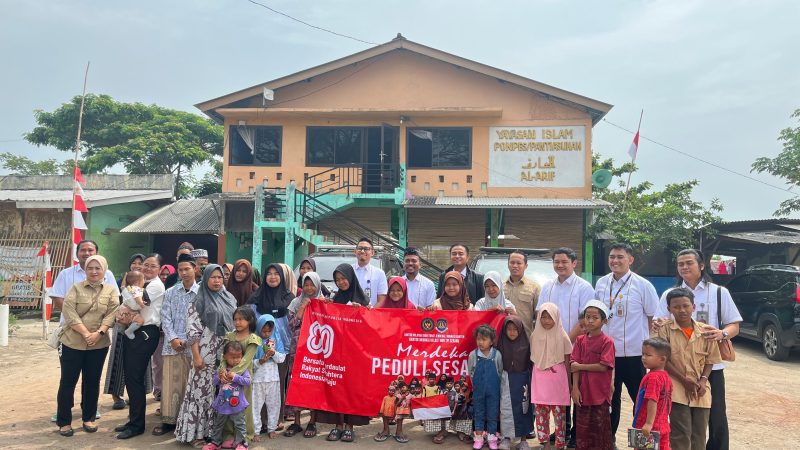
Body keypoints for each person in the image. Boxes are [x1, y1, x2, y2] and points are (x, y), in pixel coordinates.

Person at [654, 248, 741, 450]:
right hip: (679, 368)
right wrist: (657, 325)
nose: (684, 267)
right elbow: (660, 322)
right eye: (680, 264)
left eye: (689, 263)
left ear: (701, 266)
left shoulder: (719, 292)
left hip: (710, 366)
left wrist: (722, 334)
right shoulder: (669, 294)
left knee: (717, 415)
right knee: (680, 417)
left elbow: (734, 325)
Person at [593, 243, 658, 440]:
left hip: (633, 353)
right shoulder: (602, 283)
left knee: (640, 399)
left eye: (620, 257)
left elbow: (652, 317)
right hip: (606, 354)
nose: (615, 261)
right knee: (609, 400)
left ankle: (645, 440)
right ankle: (608, 439)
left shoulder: (643, 285)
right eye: (612, 257)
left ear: (630, 260)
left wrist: (649, 350)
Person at [50, 240, 119, 423]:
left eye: (98, 268)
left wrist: (99, 333)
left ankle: (88, 417)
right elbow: (67, 309)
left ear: (104, 269)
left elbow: (113, 311)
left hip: (99, 342)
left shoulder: (110, 288)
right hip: (72, 340)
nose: (94, 271)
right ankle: (64, 420)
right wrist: (85, 333)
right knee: (68, 381)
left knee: (92, 381)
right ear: (77, 253)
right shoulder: (73, 283)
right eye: (90, 268)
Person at [539, 247, 595, 447]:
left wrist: (565, 342)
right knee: (558, 392)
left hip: (577, 347)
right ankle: (561, 431)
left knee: (576, 388)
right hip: (550, 351)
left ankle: (577, 433)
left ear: (574, 263)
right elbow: (541, 316)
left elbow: (585, 319)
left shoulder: (584, 287)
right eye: (556, 262)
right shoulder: (547, 287)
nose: (560, 265)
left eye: (564, 262)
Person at [175, 264, 236, 447]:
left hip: (223, 353)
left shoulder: (229, 298)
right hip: (204, 353)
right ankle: (196, 435)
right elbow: (192, 332)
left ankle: (213, 433)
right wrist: (196, 357)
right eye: (213, 277)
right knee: (200, 394)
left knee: (219, 392)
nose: (217, 281)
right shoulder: (198, 301)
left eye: (220, 277)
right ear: (206, 278)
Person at [654, 288, 720, 450]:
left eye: (686, 306)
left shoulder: (706, 331)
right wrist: (685, 382)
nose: (682, 310)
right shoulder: (664, 330)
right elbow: (663, 360)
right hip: (675, 388)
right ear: (669, 309)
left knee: (699, 435)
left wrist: (703, 380)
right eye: (676, 307)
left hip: (700, 390)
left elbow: (710, 359)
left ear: (694, 307)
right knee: (680, 433)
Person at [315, 264, 371, 442]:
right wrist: (326, 306)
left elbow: (371, 325)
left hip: (355, 355)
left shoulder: (363, 300)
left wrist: (361, 311)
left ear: (351, 278)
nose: (341, 282)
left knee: (351, 389)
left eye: (344, 278)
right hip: (336, 353)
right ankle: (337, 425)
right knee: (336, 388)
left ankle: (349, 426)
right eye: (338, 279)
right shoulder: (335, 299)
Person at [116, 253, 165, 439]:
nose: (147, 268)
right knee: (130, 377)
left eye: (152, 266)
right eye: (145, 265)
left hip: (145, 333)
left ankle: (137, 425)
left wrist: (126, 291)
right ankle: (132, 420)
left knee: (135, 379)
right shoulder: (143, 284)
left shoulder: (155, 286)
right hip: (135, 331)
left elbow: (133, 304)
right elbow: (129, 299)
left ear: (159, 269)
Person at [152, 253, 197, 436]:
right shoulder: (170, 292)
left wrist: (188, 341)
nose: (184, 273)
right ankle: (169, 421)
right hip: (172, 345)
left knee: (189, 384)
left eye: (187, 269)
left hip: (193, 346)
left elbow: (201, 320)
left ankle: (186, 422)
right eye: (181, 270)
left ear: (195, 269)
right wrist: (172, 338)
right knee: (170, 384)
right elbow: (165, 316)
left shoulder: (202, 293)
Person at [247, 263, 295, 433]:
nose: (273, 277)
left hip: (281, 348)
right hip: (259, 349)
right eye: (269, 273)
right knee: (258, 386)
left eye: (276, 274)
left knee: (278, 384)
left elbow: (293, 322)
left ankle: (276, 420)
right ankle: (260, 421)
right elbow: (250, 321)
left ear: (282, 277)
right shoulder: (256, 297)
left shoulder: (289, 297)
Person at [570, 300, 615, 450]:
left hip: (600, 393)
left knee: (600, 429)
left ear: (604, 321)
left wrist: (580, 366)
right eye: (587, 317)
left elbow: (603, 366)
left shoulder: (607, 342)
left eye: (594, 318)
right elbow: (573, 365)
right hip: (583, 392)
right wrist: (575, 388)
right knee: (583, 429)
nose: (590, 321)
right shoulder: (580, 340)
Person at [287, 272, 324, 438]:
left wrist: (321, 306)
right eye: (306, 284)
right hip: (297, 349)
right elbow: (291, 325)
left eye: (312, 284)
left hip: (316, 351)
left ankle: (312, 421)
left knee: (313, 384)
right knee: (296, 383)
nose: (309, 288)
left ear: (318, 285)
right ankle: (296, 422)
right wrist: (302, 308)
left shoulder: (324, 302)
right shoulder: (296, 301)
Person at [530, 303, 573, 450]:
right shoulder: (535, 335)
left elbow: (567, 360)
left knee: (559, 415)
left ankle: (560, 445)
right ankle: (545, 444)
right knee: (541, 414)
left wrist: (569, 382)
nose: (546, 321)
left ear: (556, 317)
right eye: (543, 317)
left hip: (558, 379)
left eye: (550, 317)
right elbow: (533, 359)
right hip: (540, 378)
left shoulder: (562, 335)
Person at [107, 252, 143, 410]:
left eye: (140, 263)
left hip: (137, 328)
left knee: (136, 363)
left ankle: (132, 395)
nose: (137, 265)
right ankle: (116, 396)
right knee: (118, 358)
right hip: (122, 324)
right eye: (134, 262)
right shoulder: (122, 281)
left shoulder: (145, 283)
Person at [205, 341, 251, 450]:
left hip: (237, 404)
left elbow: (248, 381)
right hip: (222, 404)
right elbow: (213, 382)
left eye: (238, 357)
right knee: (218, 424)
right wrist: (220, 377)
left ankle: (241, 443)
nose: (235, 360)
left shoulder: (242, 370)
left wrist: (235, 377)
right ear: (225, 357)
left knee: (240, 424)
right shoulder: (222, 369)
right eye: (232, 357)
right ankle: (215, 443)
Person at [496, 316, 533, 450]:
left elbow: (531, 364)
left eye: (515, 329)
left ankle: (523, 440)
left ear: (520, 330)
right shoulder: (500, 343)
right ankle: (506, 439)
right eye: (509, 329)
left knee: (524, 409)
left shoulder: (526, 344)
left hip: (522, 381)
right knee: (505, 409)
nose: (512, 332)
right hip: (506, 380)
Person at [634, 337, 673, 450]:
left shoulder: (653, 377)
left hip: (649, 427)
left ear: (662, 359)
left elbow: (652, 400)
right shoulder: (665, 376)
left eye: (648, 355)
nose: (643, 358)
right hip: (663, 424)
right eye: (643, 354)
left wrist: (648, 423)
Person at [252, 314, 286, 440]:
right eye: (264, 331)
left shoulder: (276, 339)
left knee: (274, 405)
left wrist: (273, 353)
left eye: (269, 331)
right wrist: (259, 361)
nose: (266, 334)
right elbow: (249, 361)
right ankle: (255, 431)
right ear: (259, 328)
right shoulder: (254, 340)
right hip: (257, 380)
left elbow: (282, 358)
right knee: (255, 406)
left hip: (273, 379)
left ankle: (272, 428)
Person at [469, 324, 503, 450]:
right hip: (478, 391)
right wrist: (477, 386)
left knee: (492, 414)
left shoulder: (497, 355)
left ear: (492, 341)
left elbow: (500, 372)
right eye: (478, 339)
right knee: (478, 413)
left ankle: (492, 438)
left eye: (484, 339)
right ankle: (478, 438)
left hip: (494, 392)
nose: (480, 342)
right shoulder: (473, 355)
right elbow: (471, 373)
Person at [503, 251, 540, 338]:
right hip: (503, 338)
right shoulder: (500, 287)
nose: (515, 266)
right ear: (508, 264)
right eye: (512, 262)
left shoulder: (534, 288)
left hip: (526, 338)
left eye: (519, 263)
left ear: (526, 266)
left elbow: (539, 317)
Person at [351, 237, 388, 306]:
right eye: (360, 248)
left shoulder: (379, 273)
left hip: (370, 315)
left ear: (372, 252)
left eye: (366, 249)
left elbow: (382, 300)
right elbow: (341, 295)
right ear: (355, 251)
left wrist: (371, 313)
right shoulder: (348, 270)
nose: (362, 251)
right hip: (350, 314)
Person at [117, 270, 148, 339]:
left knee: (121, 323)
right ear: (138, 282)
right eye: (143, 279)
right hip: (131, 312)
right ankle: (129, 331)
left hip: (122, 309)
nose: (144, 281)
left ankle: (121, 330)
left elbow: (122, 286)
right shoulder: (137, 289)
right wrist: (141, 303)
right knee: (140, 321)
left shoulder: (128, 288)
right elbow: (137, 297)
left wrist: (125, 277)